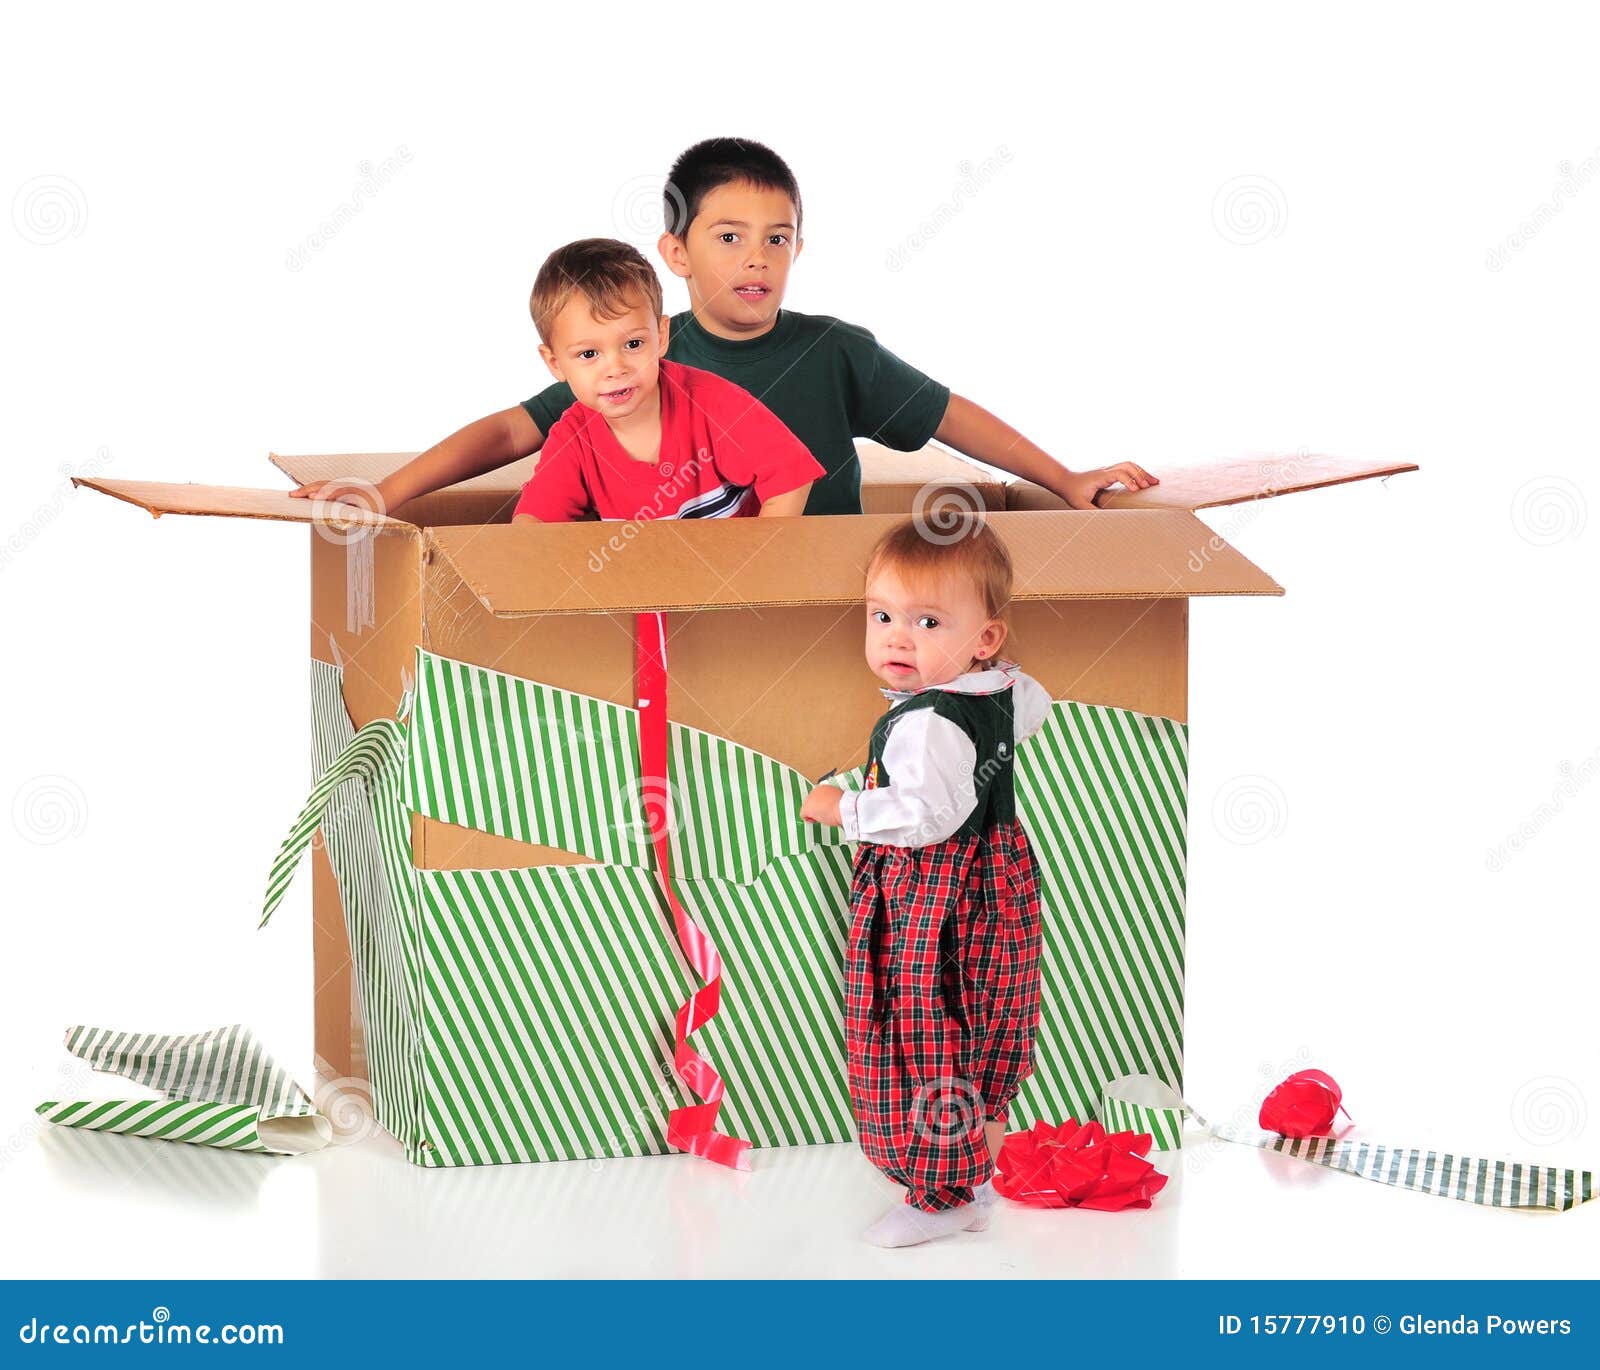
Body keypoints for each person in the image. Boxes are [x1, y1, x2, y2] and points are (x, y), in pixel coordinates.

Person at [290, 138, 1157, 517]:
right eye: (729, 237)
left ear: (799, 248)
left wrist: (1060, 475)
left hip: (822, 594)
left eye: (776, 239)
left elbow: (947, 414)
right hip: (688, 600)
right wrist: (388, 492)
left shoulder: (831, 349)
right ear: (674, 250)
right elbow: (510, 431)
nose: (757, 259)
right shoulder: (640, 353)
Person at [801, 513, 1051, 1247]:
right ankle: (977, 1159)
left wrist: (839, 806)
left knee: (918, 1027)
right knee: (980, 1010)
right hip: (995, 883)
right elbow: (1031, 711)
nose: (897, 638)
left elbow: (924, 817)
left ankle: (940, 1194)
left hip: (930, 897)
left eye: (927, 621)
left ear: (986, 638)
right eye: (882, 616)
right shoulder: (1001, 688)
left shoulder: (926, 723)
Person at [510, 237, 821, 522]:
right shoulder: (574, 439)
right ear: (555, 363)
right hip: (644, 576)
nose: (616, 368)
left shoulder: (711, 402)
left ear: (660, 337)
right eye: (589, 354)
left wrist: (759, 561)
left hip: (734, 570)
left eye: (633, 344)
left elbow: (790, 476)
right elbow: (534, 521)